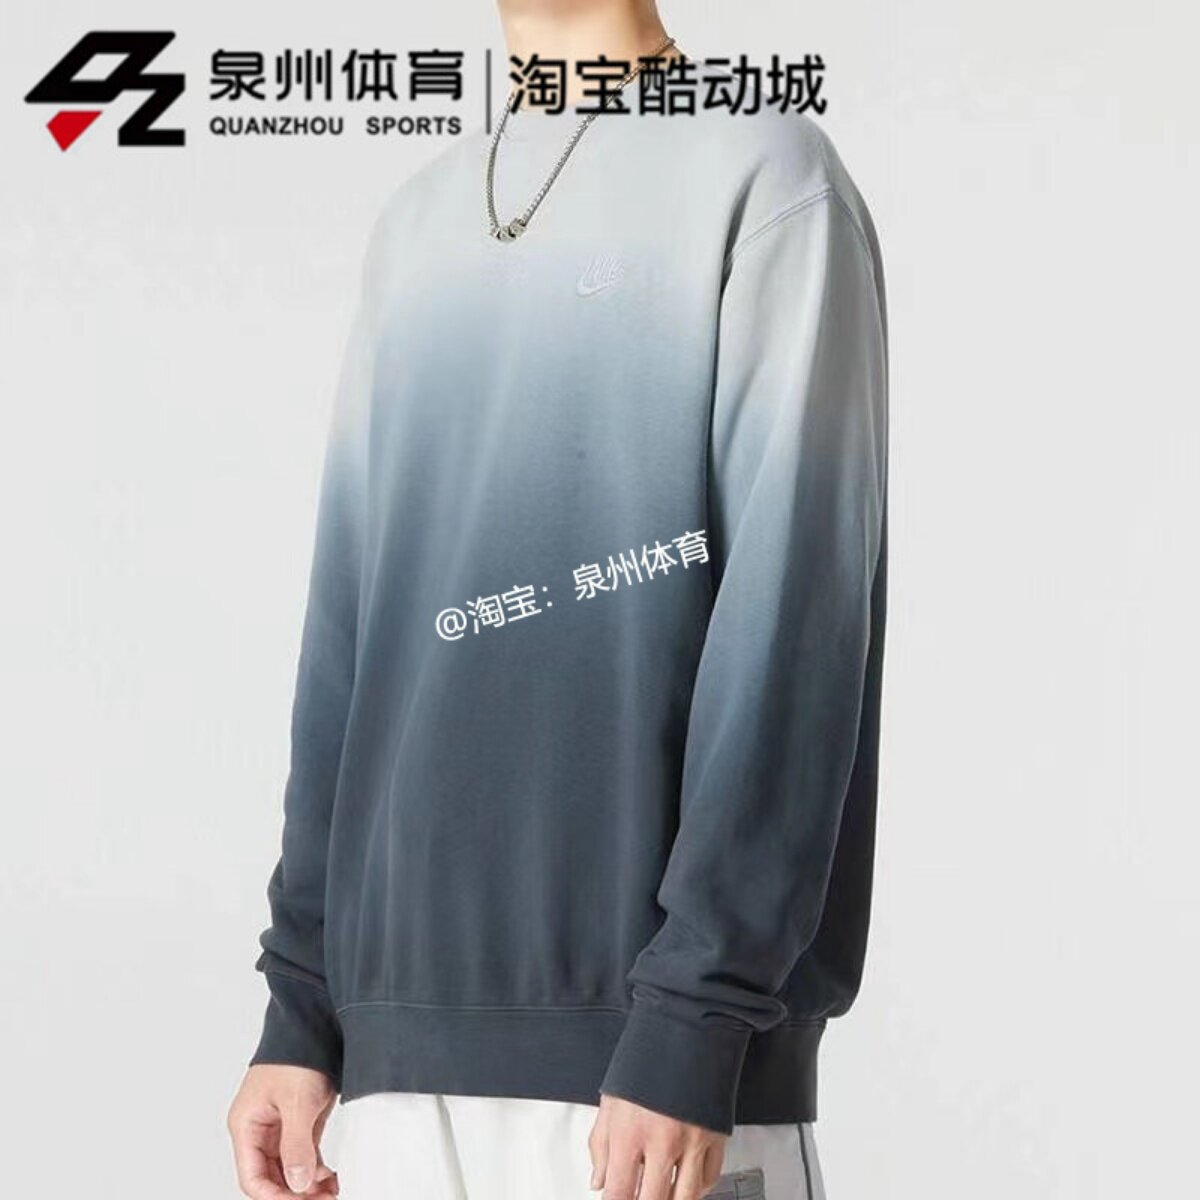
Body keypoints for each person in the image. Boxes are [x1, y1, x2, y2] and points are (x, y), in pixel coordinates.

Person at [226, 2, 888, 1197]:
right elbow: (352, 639)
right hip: (392, 1077)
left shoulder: (765, 175)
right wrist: (302, 1002)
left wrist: (696, 1016)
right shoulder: (418, 224)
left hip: (650, 1079)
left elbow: (797, 627)